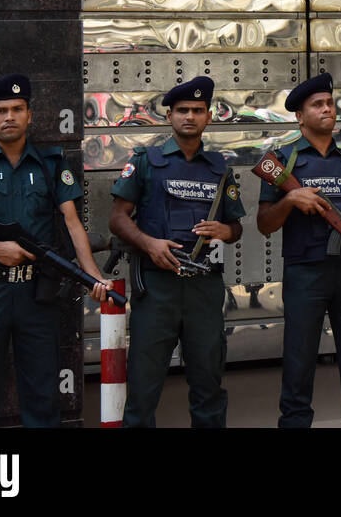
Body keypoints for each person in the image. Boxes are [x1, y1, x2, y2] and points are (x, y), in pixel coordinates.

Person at [0, 74, 112, 427]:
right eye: (0, 110)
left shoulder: (52, 164)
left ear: (30, 115)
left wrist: (93, 277)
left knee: (43, 398)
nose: (9, 116)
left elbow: (73, 224)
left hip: (35, 295)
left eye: (17, 109)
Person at [256, 73, 341, 428]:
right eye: (317, 105)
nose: (327, 110)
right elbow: (264, 224)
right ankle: (295, 421)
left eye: (330, 104)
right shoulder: (282, 161)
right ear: (300, 116)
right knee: (300, 358)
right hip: (305, 273)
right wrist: (290, 199)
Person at [109, 76, 245, 427]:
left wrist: (226, 230)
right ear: (169, 116)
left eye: (197, 111)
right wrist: (148, 244)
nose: (190, 116)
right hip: (157, 288)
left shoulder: (220, 168)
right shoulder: (145, 161)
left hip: (203, 289)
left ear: (208, 117)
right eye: (182, 110)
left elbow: (237, 227)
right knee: (143, 387)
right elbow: (117, 218)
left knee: (208, 385)